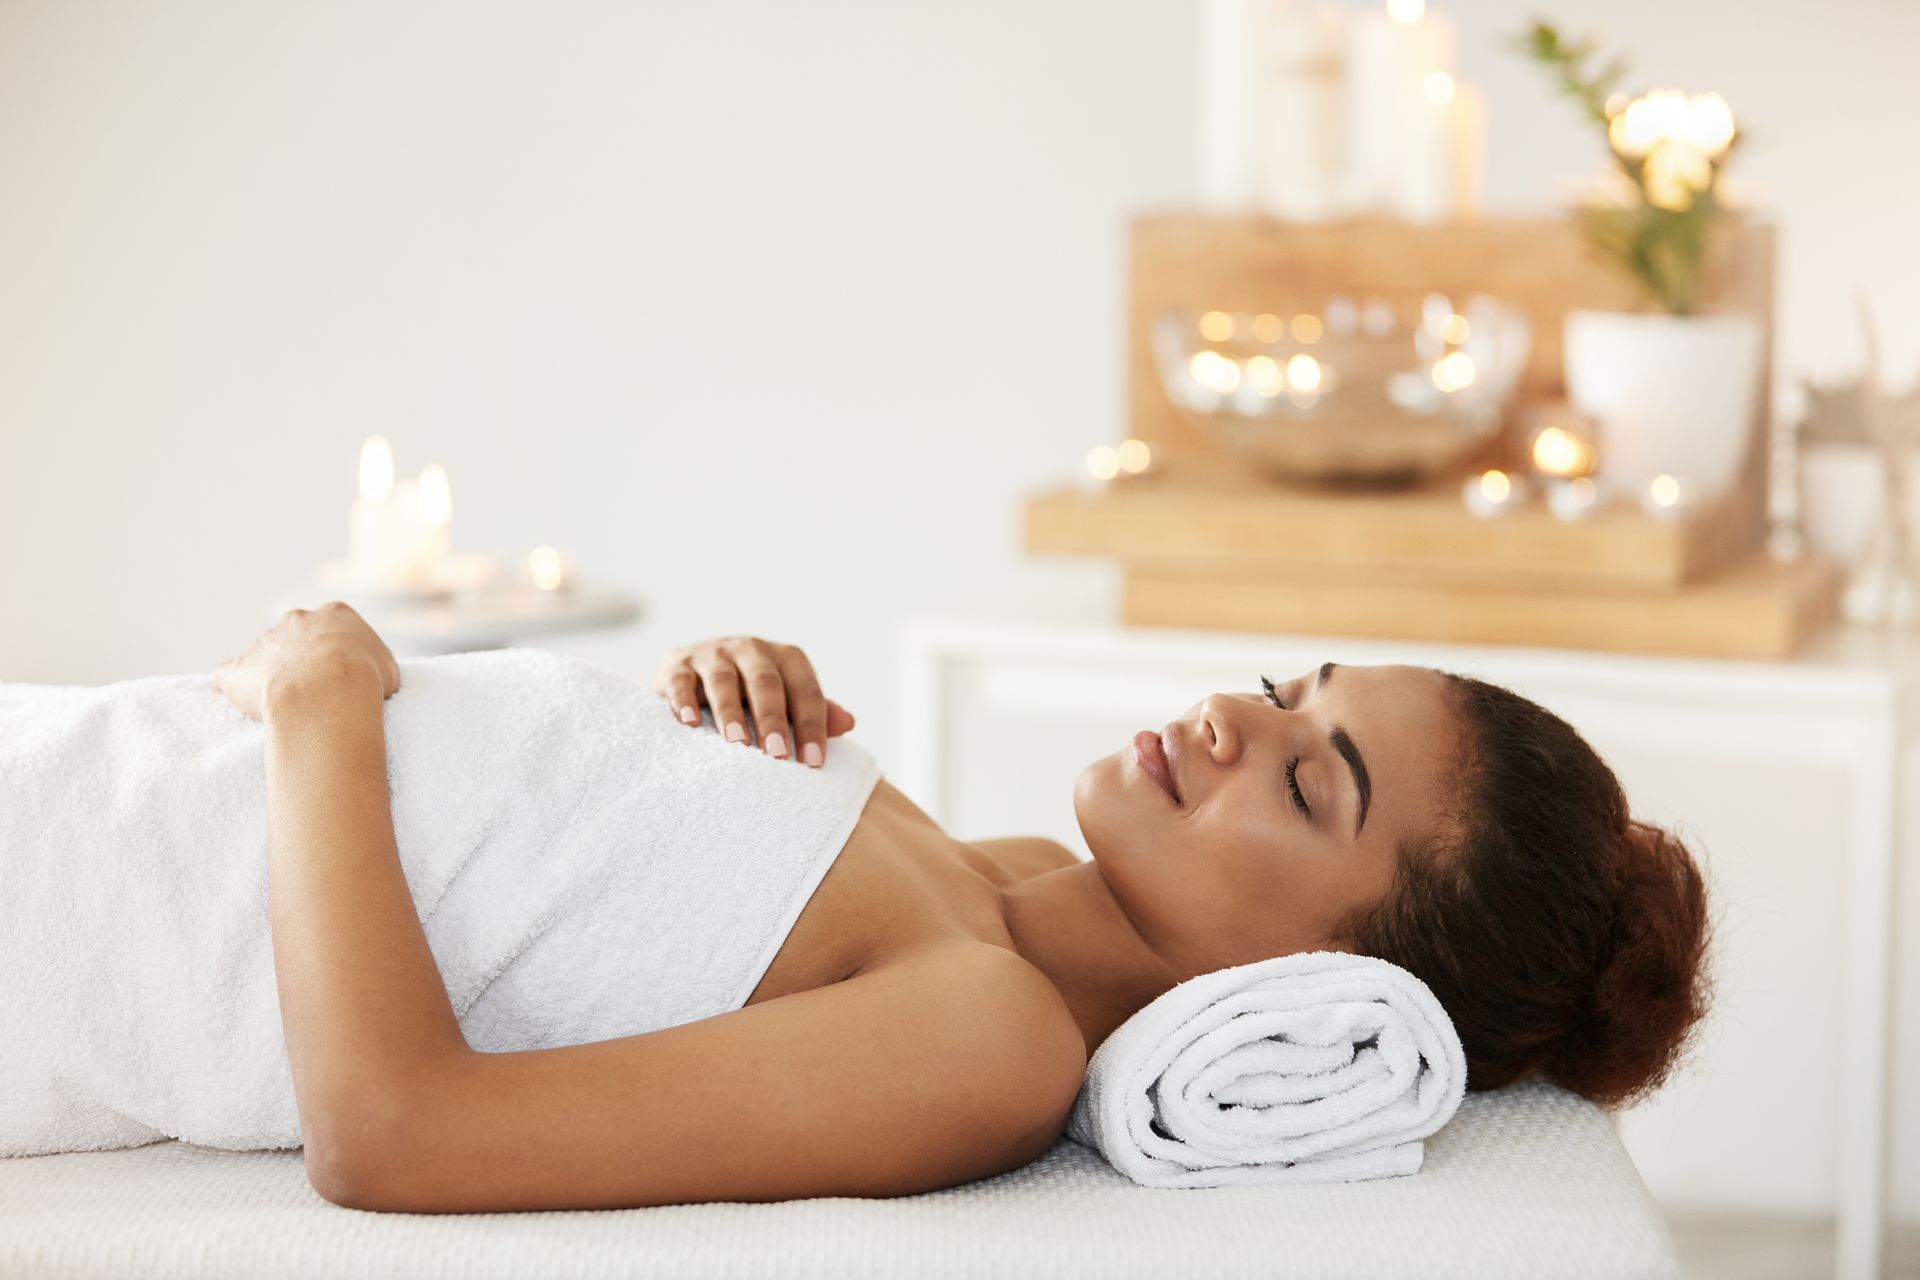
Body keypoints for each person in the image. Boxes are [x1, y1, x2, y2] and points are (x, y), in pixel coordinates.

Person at [209, 603, 1711, 1214]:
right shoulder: (985, 881)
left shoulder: (994, 1041)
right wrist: (699, 699)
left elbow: (393, 1133)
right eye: (1277, 693)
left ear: (1327, 985)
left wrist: (320, 705)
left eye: (1312, 787)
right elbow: (612, 894)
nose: (1222, 720)